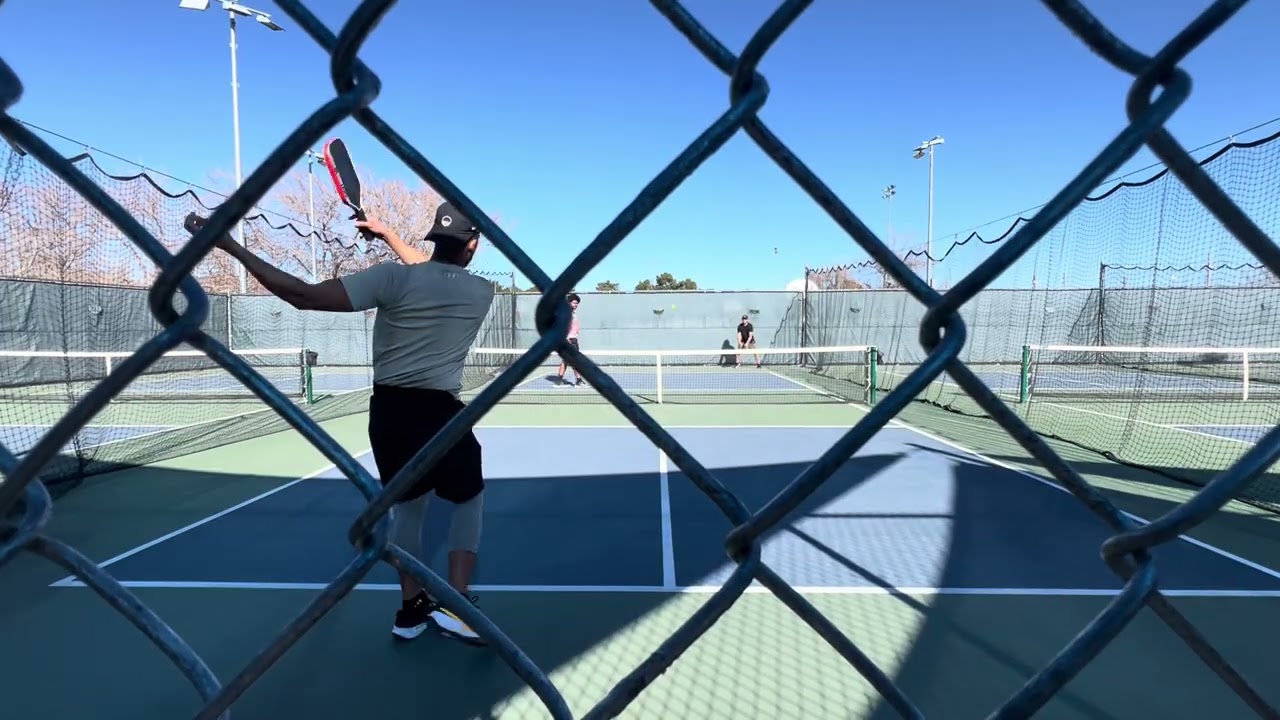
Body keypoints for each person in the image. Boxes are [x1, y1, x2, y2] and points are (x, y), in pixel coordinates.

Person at [186, 202, 494, 646]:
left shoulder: (393, 279)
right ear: (473, 245)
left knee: (408, 507)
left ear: (433, 240)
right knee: (468, 498)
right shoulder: (480, 291)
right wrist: (390, 235)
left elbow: (303, 295)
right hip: (441, 413)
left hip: (389, 413)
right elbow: (436, 272)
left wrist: (229, 245)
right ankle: (457, 603)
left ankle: (411, 609)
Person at [556, 292, 584, 386]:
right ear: (569, 303)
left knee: (565, 360)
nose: (576, 305)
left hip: (573, 339)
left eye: (577, 303)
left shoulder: (573, 314)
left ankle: (559, 380)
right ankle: (578, 381)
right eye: (574, 303)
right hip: (570, 340)